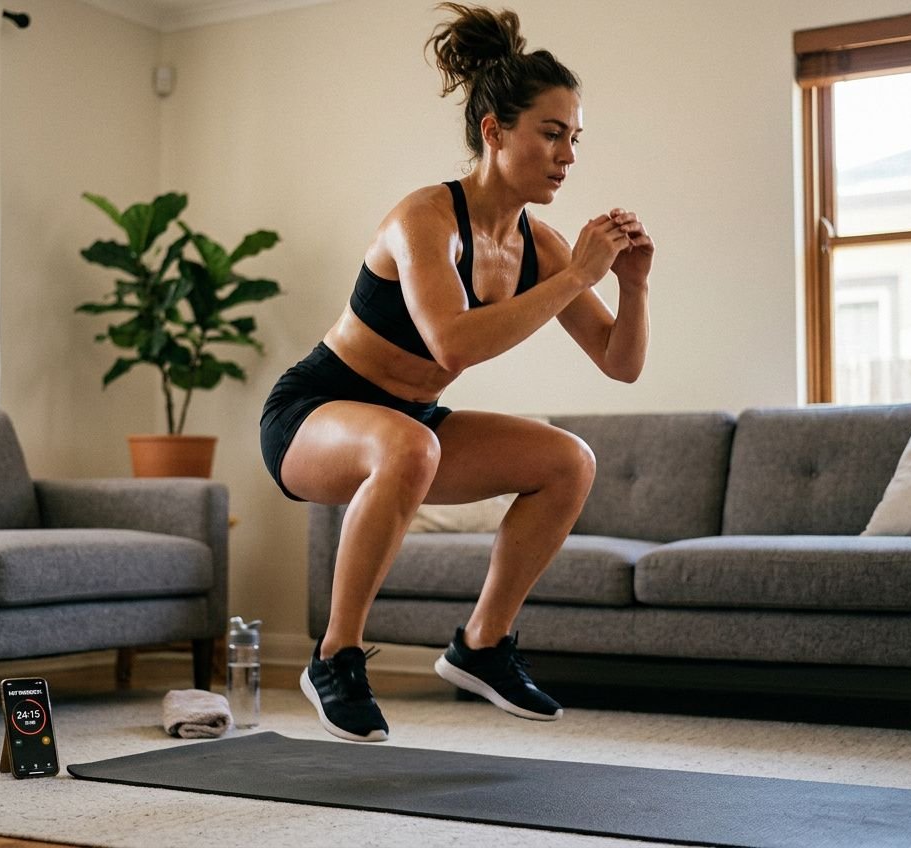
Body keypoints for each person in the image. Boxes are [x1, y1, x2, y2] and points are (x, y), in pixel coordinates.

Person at [259, 2, 652, 743]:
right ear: (494, 132)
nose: (568, 155)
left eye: (575, 138)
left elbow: (619, 363)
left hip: (412, 425)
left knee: (568, 461)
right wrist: (575, 280)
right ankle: (333, 657)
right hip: (315, 412)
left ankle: (482, 644)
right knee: (410, 445)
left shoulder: (541, 244)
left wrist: (632, 285)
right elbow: (454, 347)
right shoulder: (424, 220)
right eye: (551, 133)